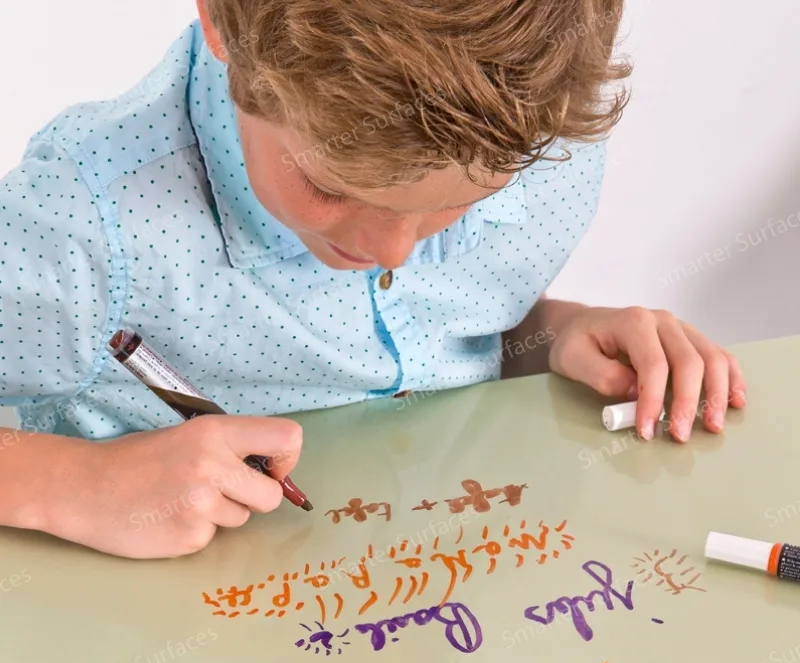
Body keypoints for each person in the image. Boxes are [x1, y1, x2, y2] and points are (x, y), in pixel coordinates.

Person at [0, 0, 745, 558]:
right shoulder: (84, 221)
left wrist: (549, 334)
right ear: (224, 23)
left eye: (457, 202)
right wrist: (71, 484)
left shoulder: (542, 128)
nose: (392, 251)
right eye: (331, 188)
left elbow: (433, 333)